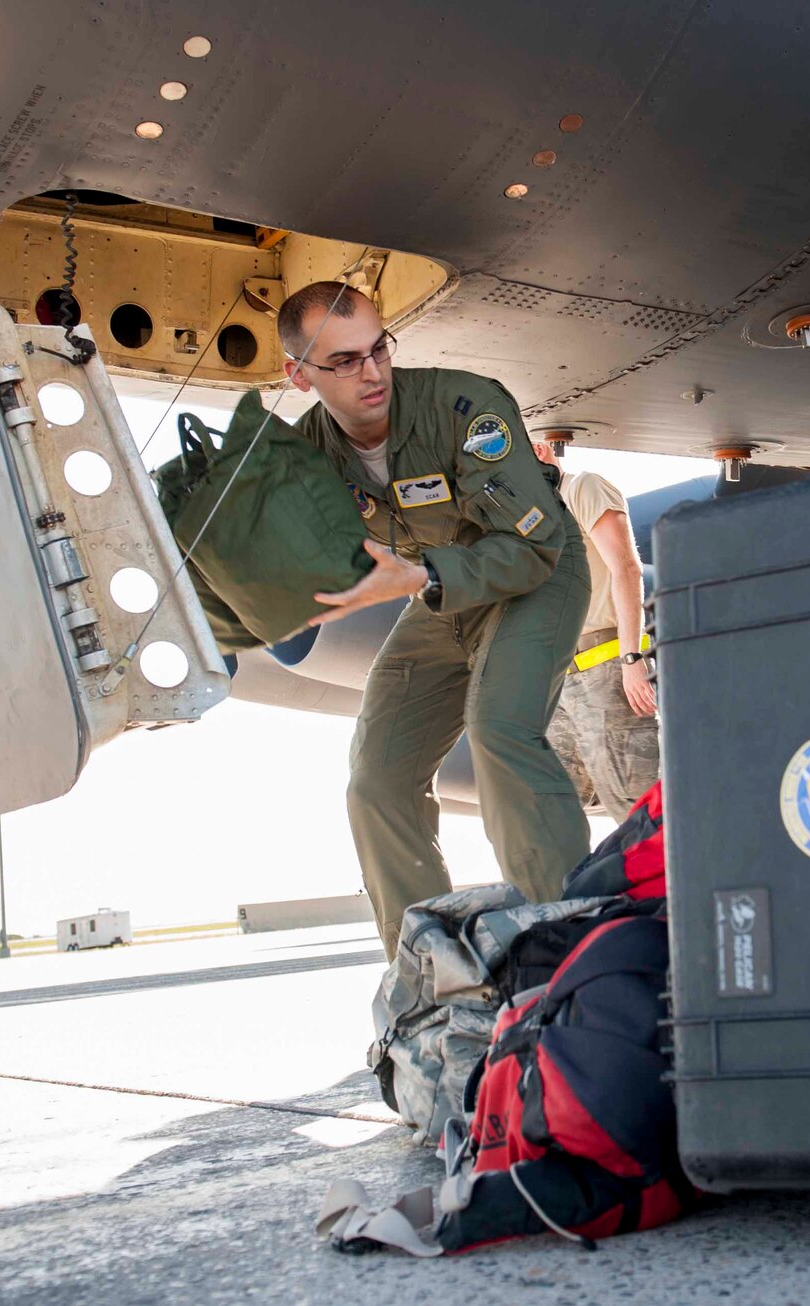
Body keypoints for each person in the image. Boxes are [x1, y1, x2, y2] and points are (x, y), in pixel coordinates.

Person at [279, 281, 591, 957]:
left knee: (498, 731)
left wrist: (421, 577)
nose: (371, 373)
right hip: (443, 595)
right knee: (377, 780)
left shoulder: (464, 406)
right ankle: (427, 974)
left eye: (379, 350)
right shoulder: (308, 454)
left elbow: (532, 547)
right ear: (298, 374)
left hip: (531, 574)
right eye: (343, 361)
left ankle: (578, 957)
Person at [531, 437, 661, 822]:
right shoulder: (534, 519)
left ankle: (673, 882)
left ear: (540, 452)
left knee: (635, 803)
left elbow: (626, 568)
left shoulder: (582, 487)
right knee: (550, 809)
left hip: (606, 670)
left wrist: (632, 658)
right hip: (559, 681)